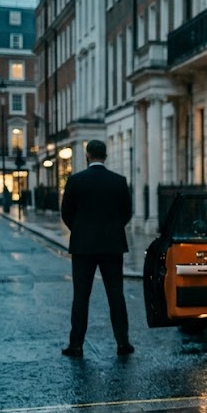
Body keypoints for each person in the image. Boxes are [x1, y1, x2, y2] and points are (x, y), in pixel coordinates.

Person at [60, 139, 135, 357]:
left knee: (81, 297)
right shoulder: (118, 181)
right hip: (112, 246)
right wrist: (112, 229)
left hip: (83, 248)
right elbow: (126, 212)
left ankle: (76, 346)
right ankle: (123, 343)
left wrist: (80, 230)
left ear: (87, 155)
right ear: (106, 155)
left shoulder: (75, 181)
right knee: (116, 295)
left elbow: (66, 213)